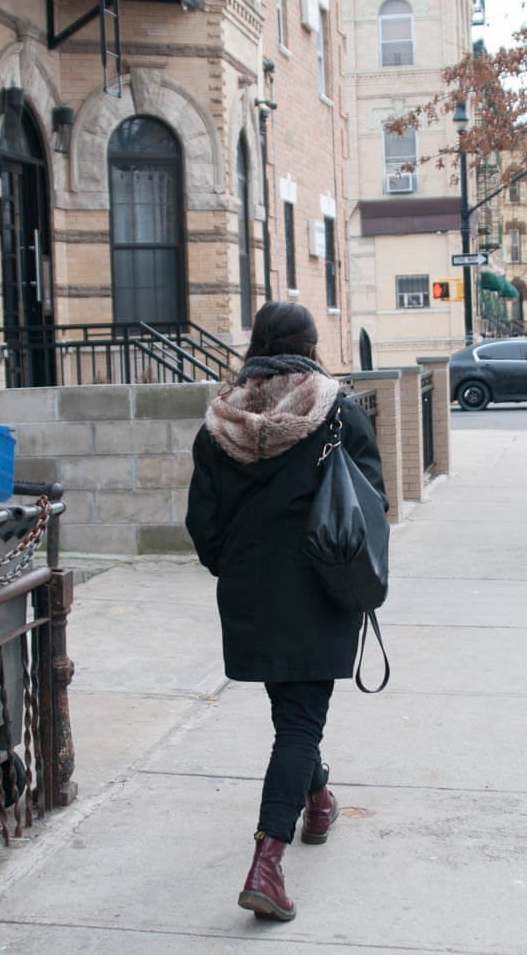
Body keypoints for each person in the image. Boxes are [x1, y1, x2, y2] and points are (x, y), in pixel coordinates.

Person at [184, 301, 386, 923]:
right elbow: (371, 499)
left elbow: (203, 524)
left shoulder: (219, 422)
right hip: (321, 586)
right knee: (299, 722)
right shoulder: (337, 412)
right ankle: (266, 864)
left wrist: (237, 569)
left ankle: (318, 800)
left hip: (250, 593)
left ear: (257, 343)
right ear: (311, 343)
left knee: (291, 714)